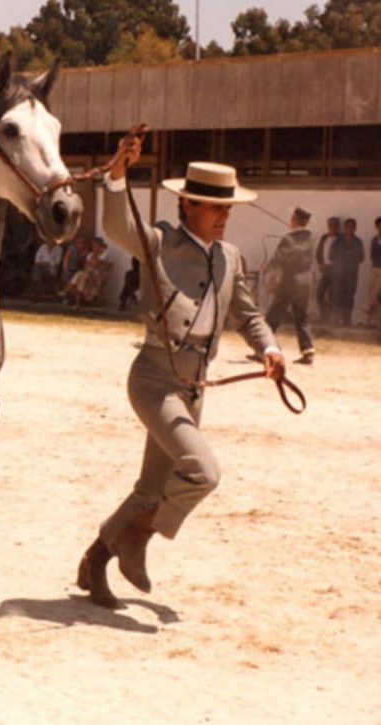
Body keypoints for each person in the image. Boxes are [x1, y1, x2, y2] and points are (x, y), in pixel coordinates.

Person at [76, 137, 285, 610]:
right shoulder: (159, 242)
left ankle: (96, 559)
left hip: (195, 387)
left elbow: (248, 315)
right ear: (187, 203)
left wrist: (269, 348)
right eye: (213, 205)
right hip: (154, 378)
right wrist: (116, 175)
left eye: (227, 206)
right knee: (203, 472)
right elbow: (116, 224)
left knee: (151, 487)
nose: (224, 215)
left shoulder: (229, 257)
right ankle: (139, 537)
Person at [262, 206, 316, 364]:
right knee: (302, 317)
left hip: (290, 281)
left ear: (294, 220)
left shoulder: (288, 239)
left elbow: (279, 258)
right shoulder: (312, 236)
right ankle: (308, 351)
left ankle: (263, 348)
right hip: (306, 281)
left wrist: (267, 267)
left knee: (273, 314)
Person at [330, 218, 365, 326]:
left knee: (349, 296)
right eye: (347, 226)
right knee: (337, 296)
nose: (349, 229)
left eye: (352, 227)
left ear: (355, 228)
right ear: (344, 228)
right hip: (339, 273)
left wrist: (350, 262)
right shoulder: (337, 241)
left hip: (351, 274)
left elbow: (361, 257)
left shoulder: (358, 242)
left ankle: (347, 320)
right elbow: (331, 255)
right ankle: (335, 319)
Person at [62, 237, 112, 307]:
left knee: (83, 276)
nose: (94, 248)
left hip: (99, 274)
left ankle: (67, 291)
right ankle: (76, 300)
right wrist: (92, 262)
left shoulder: (105, 254)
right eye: (93, 246)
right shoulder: (90, 254)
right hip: (89, 273)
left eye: (96, 246)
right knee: (81, 275)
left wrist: (94, 259)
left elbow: (96, 265)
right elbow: (86, 266)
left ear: (100, 246)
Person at [315, 216, 340, 324]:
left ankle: (330, 318)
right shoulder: (324, 238)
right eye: (330, 225)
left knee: (333, 295)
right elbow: (318, 252)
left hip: (336, 270)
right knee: (319, 293)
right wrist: (320, 263)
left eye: (334, 225)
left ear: (337, 227)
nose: (332, 227)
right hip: (325, 269)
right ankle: (323, 314)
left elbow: (342, 256)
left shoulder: (340, 239)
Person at [368, 216, 381, 326]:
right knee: (372, 292)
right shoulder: (374, 239)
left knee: (376, 294)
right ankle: (372, 321)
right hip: (375, 268)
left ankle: (373, 321)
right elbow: (372, 254)